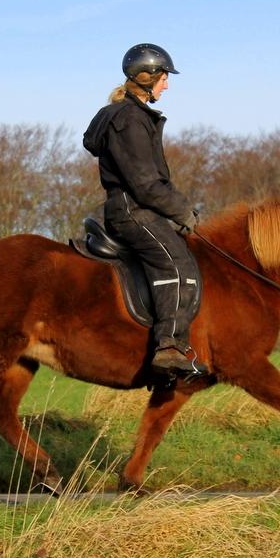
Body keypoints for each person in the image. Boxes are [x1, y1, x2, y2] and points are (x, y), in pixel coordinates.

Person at [83, 43, 201, 376]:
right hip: (134, 211)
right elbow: (146, 183)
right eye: (164, 77)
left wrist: (179, 210)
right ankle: (169, 347)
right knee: (178, 265)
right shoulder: (130, 119)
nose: (167, 84)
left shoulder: (129, 115)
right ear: (146, 77)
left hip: (137, 209)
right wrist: (182, 212)